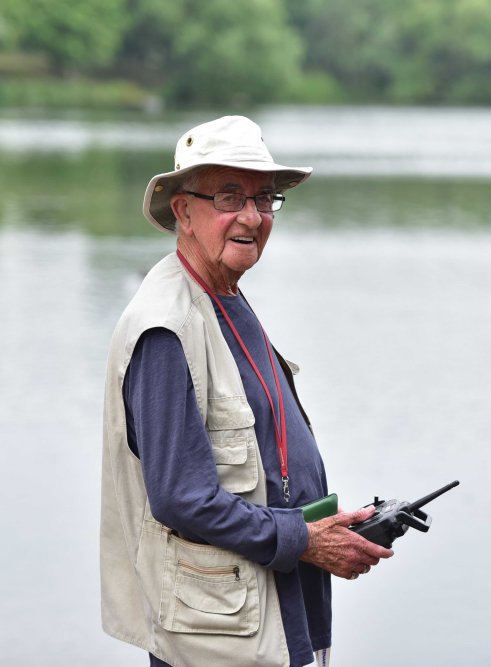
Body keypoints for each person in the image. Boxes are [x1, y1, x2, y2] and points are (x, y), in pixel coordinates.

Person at [100, 115, 393, 667]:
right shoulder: (166, 328)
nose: (253, 217)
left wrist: (329, 525)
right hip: (217, 642)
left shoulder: (221, 293)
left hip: (271, 620)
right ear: (183, 210)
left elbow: (261, 466)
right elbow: (181, 499)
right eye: (230, 197)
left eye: (264, 199)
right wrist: (307, 540)